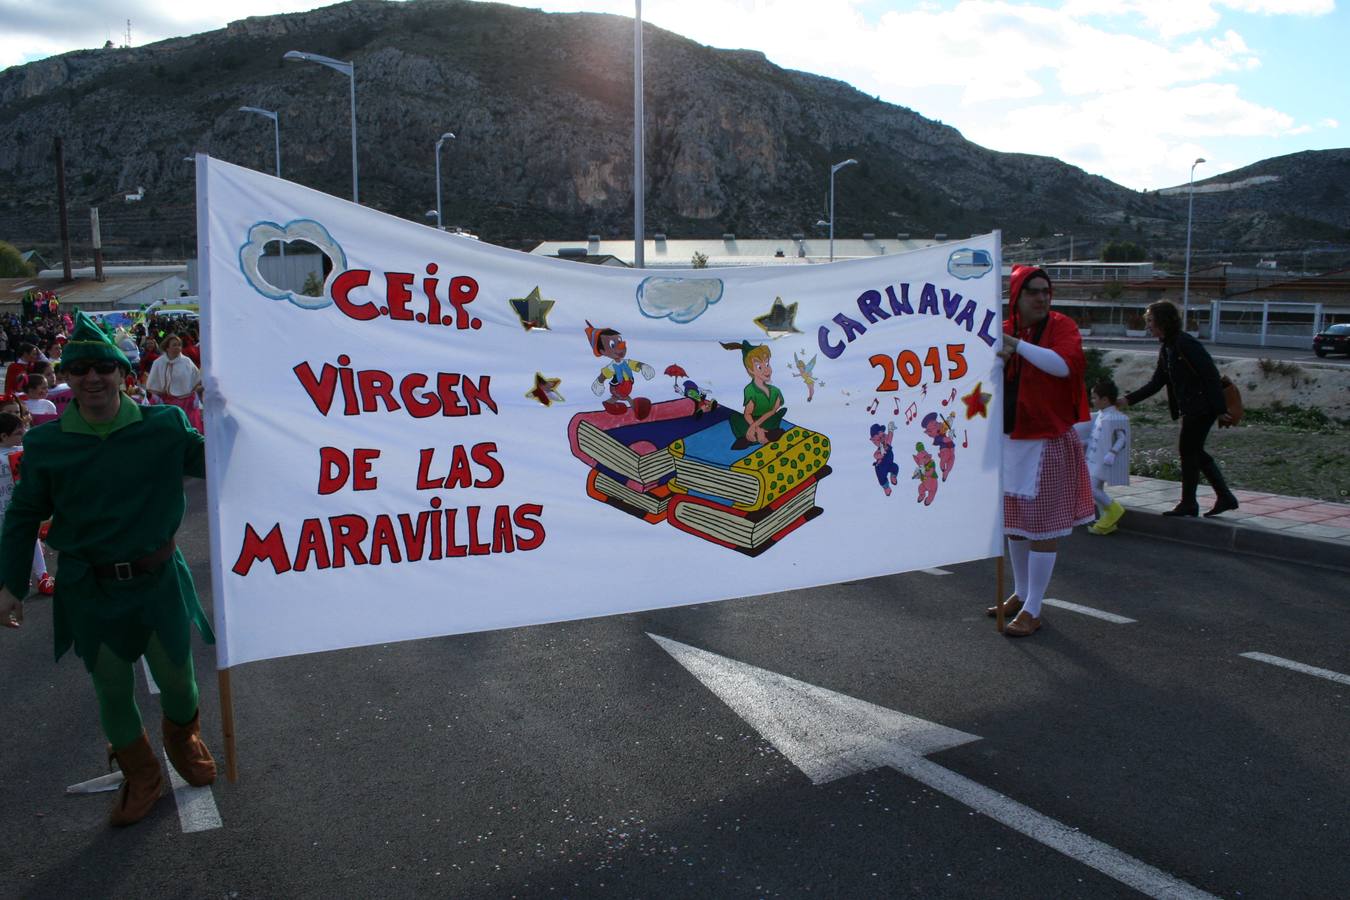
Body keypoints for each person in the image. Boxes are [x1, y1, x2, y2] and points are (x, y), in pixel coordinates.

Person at [0, 310, 216, 827]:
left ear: (123, 373)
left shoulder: (164, 426)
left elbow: (217, 461)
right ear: (67, 377)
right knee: (112, 688)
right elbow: (24, 515)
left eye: (103, 367)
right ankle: (142, 774)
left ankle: (182, 739)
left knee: (179, 683)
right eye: (79, 369)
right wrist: (10, 585)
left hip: (158, 580)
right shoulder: (47, 444)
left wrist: (236, 417)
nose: (92, 377)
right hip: (90, 587)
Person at [990, 265, 1095, 637]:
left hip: (1047, 439)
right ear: (1016, 295)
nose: (1041, 298)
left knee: (1043, 527)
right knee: (1016, 525)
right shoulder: (1003, 328)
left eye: (1045, 291)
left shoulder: (1061, 326)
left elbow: (1064, 366)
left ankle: (1033, 607)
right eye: (1032, 291)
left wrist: (1016, 346)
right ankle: (1020, 593)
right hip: (1010, 439)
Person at [1117, 300, 1237, 517]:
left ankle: (1191, 503)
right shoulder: (1168, 347)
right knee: (1194, 451)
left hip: (1203, 407)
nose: (1148, 325)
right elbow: (1157, 382)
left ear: (1163, 321)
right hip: (1192, 407)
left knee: (1188, 452)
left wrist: (1220, 409)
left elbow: (1210, 375)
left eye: (1151, 321)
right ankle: (1223, 497)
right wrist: (1127, 400)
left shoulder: (1185, 343)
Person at [0, 412, 54, 596]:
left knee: (32, 539)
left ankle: (43, 576)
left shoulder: (23, 452)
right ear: (4, 436)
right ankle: (11, 578)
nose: (22, 436)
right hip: (2, 509)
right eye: (18, 433)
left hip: (19, 508)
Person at [1082, 379, 1131, 535]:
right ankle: (1107, 520)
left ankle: (1114, 509)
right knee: (1096, 489)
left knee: (1091, 488)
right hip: (1094, 458)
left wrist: (1112, 452)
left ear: (1104, 399)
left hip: (1102, 460)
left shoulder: (1114, 417)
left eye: (1094, 397)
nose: (1092, 400)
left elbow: (1122, 438)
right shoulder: (1101, 415)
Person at [723, 339, 786, 450]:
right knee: (735, 418)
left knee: (774, 419)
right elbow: (747, 414)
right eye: (759, 367)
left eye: (767, 364)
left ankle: (758, 436)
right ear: (750, 370)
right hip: (751, 420)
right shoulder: (750, 390)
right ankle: (760, 435)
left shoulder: (775, 391)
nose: (766, 370)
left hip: (766, 419)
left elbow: (772, 411)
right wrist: (757, 429)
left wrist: (754, 428)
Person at [145, 334, 204, 432]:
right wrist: (157, 397)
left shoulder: (186, 362)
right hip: (166, 403)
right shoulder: (158, 363)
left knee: (187, 428)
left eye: (179, 345)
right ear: (167, 348)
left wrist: (196, 397)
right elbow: (154, 382)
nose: (177, 347)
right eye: (174, 345)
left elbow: (195, 379)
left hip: (186, 403)